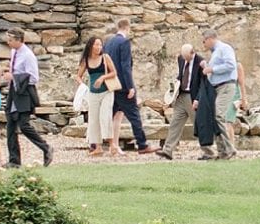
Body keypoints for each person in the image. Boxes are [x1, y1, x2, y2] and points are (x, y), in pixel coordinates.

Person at [2, 30, 52, 168]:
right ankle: (14, 160)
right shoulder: (14, 52)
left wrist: (15, 77)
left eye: (11, 40)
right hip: (14, 91)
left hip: (25, 93)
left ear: (19, 40)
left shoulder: (28, 55)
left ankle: (46, 147)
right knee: (11, 125)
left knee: (24, 125)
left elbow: (33, 77)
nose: (8, 42)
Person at [103, 19, 149, 153]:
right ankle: (142, 144)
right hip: (123, 86)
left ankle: (95, 144)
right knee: (134, 114)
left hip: (111, 85)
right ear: (127, 28)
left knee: (109, 116)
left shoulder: (108, 43)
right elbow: (125, 66)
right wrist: (130, 87)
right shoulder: (124, 42)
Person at [156, 43, 206, 159]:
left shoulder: (200, 62)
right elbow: (182, 75)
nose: (184, 60)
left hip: (192, 97)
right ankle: (167, 150)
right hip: (181, 96)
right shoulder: (181, 59)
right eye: (183, 57)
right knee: (175, 123)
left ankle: (207, 151)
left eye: (186, 57)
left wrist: (198, 99)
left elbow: (203, 84)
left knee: (198, 125)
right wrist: (174, 88)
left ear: (192, 53)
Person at [201, 27, 239, 160]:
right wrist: (206, 67)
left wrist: (212, 69)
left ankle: (230, 149)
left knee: (219, 116)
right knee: (215, 117)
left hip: (226, 86)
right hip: (217, 87)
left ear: (210, 38)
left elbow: (231, 65)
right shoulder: (215, 52)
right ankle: (222, 152)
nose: (203, 44)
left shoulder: (224, 48)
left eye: (204, 41)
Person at [80, 37, 121, 157]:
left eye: (100, 45)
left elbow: (114, 72)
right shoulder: (86, 60)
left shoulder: (105, 57)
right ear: (90, 46)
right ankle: (97, 147)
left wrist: (102, 77)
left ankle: (112, 144)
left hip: (106, 91)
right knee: (93, 120)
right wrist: (83, 86)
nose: (99, 47)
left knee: (105, 116)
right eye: (96, 45)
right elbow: (78, 76)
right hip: (92, 93)